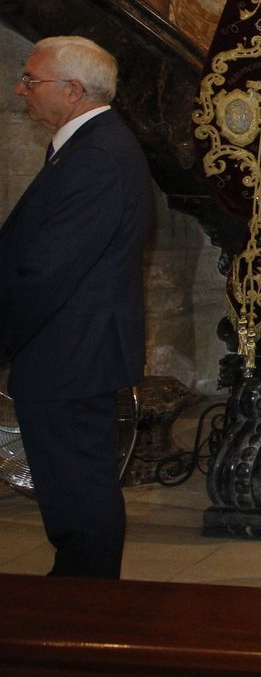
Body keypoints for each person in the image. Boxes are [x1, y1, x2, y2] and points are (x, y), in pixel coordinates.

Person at [0, 36, 152, 578]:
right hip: (71, 346)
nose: (22, 89)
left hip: (72, 350)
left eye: (31, 80)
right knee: (71, 484)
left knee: (77, 488)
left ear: (72, 90)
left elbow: (46, 270)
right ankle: (80, 590)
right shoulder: (87, 145)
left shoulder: (98, 155)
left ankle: (86, 603)